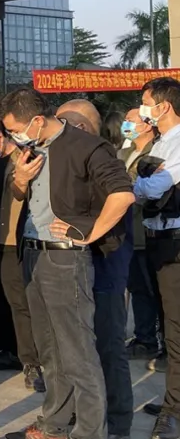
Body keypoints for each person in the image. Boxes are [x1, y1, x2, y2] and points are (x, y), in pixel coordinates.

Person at [0, 87, 134, 439]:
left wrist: (88, 233)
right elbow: (20, 194)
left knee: (77, 350)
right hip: (33, 251)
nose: (14, 137)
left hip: (65, 256)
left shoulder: (87, 147)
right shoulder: (31, 149)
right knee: (50, 348)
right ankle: (55, 423)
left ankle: (90, 431)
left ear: (37, 120)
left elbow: (122, 195)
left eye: (15, 129)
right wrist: (20, 178)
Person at [57, 98, 135, 439]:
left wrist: (86, 232)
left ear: (79, 128)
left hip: (106, 264)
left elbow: (121, 200)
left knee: (108, 345)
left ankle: (118, 423)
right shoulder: (72, 159)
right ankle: (85, 417)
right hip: (76, 267)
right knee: (79, 350)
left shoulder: (103, 158)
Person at [0, 115, 45, 393]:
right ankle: (7, 349)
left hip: (13, 241)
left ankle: (31, 361)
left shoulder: (24, 159)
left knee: (19, 303)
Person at [131, 78, 180, 439]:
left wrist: (135, 184)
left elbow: (153, 186)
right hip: (157, 239)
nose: (142, 109)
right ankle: (173, 399)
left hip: (175, 242)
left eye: (146, 102)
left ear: (164, 106)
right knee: (168, 323)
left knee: (176, 330)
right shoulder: (161, 142)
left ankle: (173, 410)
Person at [120, 106, 163, 362]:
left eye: (130, 120)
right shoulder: (126, 152)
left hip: (145, 230)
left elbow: (149, 192)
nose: (125, 124)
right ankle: (142, 337)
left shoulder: (155, 152)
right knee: (137, 287)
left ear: (147, 124)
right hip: (127, 230)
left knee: (148, 288)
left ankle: (149, 340)